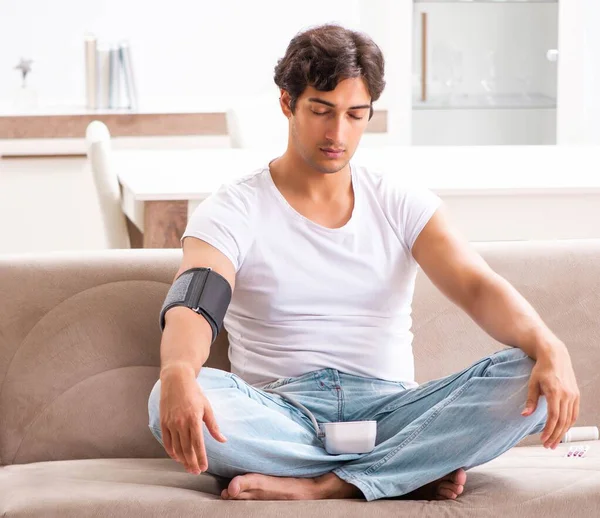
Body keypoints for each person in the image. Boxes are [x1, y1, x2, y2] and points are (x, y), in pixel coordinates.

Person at [148, 23, 580, 502]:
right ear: (287, 103)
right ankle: (404, 469)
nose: (338, 133)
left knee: (528, 375)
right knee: (164, 400)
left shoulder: (399, 200)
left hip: (394, 411)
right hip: (283, 411)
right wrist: (178, 372)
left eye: (356, 114)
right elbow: (197, 301)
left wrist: (548, 344)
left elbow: (476, 285)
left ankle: (327, 484)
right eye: (321, 110)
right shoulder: (234, 207)